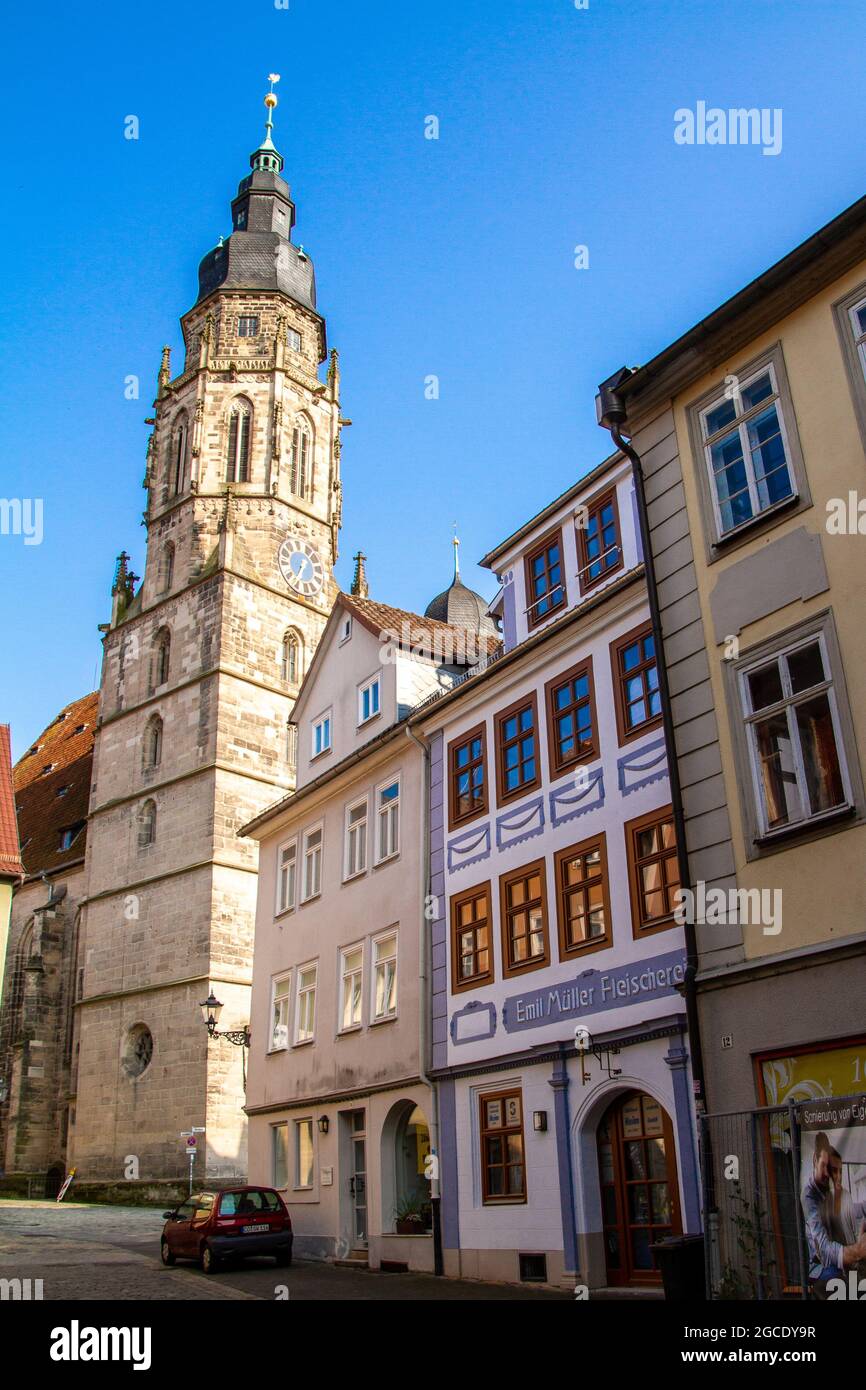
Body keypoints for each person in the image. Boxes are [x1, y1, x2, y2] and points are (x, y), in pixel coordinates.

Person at [802, 1132, 866, 1297]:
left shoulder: (833, 1192)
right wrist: (857, 1251)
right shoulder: (809, 1196)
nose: (828, 1173)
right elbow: (824, 1250)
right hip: (823, 1268)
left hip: (843, 1265)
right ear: (815, 1160)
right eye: (824, 1165)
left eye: (832, 1169)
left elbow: (853, 1210)